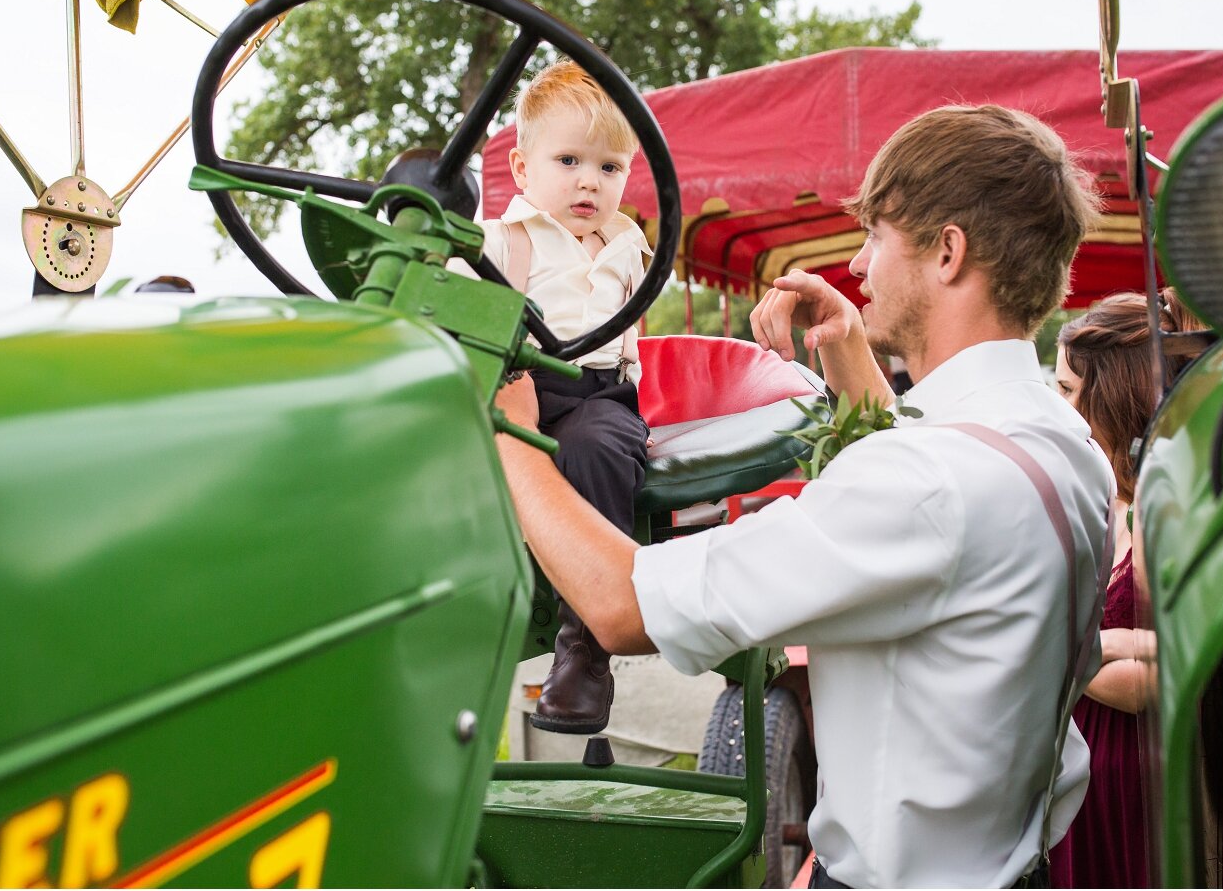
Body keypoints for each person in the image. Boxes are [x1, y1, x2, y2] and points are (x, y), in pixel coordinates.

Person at [494, 104, 1115, 888]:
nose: (859, 266)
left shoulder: (928, 485)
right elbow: (933, 496)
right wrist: (849, 347)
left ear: (948, 252)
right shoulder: (1063, 444)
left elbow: (622, 607)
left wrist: (512, 435)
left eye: (878, 237)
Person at [465, 60, 651, 734]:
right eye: (569, 159)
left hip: (598, 395)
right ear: (521, 169)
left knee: (596, 445)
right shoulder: (495, 242)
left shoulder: (628, 243)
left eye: (608, 168)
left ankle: (586, 646)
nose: (587, 182)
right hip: (520, 385)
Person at [1050, 287, 1203, 889]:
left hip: (1129, 776)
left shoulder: (1164, 509)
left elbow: (1156, 680)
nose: (1056, 404)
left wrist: (1036, 649)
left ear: (1108, 395)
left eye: (1066, 389)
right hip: (1087, 759)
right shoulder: (1112, 494)